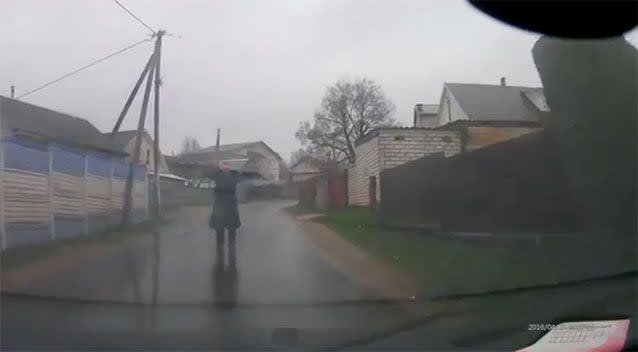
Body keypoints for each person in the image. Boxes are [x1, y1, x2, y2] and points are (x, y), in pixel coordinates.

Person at [209, 163, 241, 256]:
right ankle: (220, 248)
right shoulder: (217, 176)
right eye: (224, 166)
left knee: (232, 228)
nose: (226, 168)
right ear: (221, 168)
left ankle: (231, 247)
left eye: (228, 166)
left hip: (230, 205)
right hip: (220, 205)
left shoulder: (234, 176)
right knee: (220, 227)